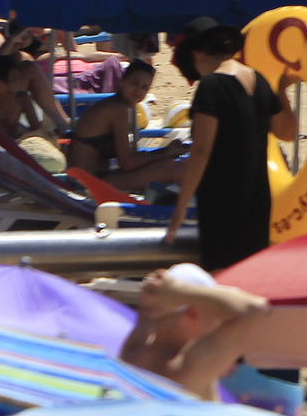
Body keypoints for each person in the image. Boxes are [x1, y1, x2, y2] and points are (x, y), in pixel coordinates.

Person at [163, 19, 289, 271]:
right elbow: (287, 131)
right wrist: (282, 90)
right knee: (250, 276)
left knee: (221, 278)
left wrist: (179, 210)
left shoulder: (211, 86)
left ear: (197, 55)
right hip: (258, 196)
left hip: (222, 199)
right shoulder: (259, 80)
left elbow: (201, 150)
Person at [119, 264, 271, 401]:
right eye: (217, 312)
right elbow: (254, 309)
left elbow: (148, 312)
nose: (220, 320)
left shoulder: (133, 351)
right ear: (193, 313)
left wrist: (156, 293)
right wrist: (178, 292)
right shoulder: (186, 366)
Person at [69, 61, 185, 191]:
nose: (138, 91)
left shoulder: (117, 105)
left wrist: (165, 151)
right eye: (134, 84)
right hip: (86, 183)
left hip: (89, 177)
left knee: (169, 164)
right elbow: (128, 164)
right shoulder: (118, 110)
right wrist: (166, 153)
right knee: (173, 168)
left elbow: (129, 159)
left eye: (144, 87)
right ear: (122, 81)